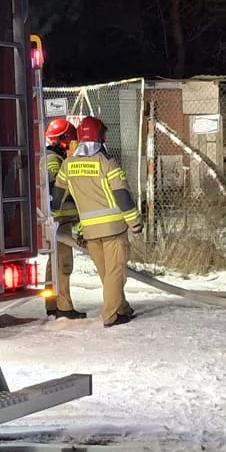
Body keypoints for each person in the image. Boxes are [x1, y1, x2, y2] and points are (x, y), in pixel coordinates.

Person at [53, 116, 138, 327]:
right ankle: (111, 316)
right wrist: (135, 222)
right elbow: (122, 196)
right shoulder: (106, 163)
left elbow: (57, 195)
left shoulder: (68, 164)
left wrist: (52, 216)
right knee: (115, 273)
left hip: (90, 232)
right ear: (99, 136)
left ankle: (122, 308)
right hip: (113, 229)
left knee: (107, 274)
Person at [41, 118, 86, 318]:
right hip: (60, 221)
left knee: (54, 263)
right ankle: (64, 307)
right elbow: (55, 189)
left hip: (57, 222)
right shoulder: (53, 160)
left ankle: (52, 304)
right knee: (63, 264)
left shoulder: (52, 156)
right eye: (72, 139)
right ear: (64, 139)